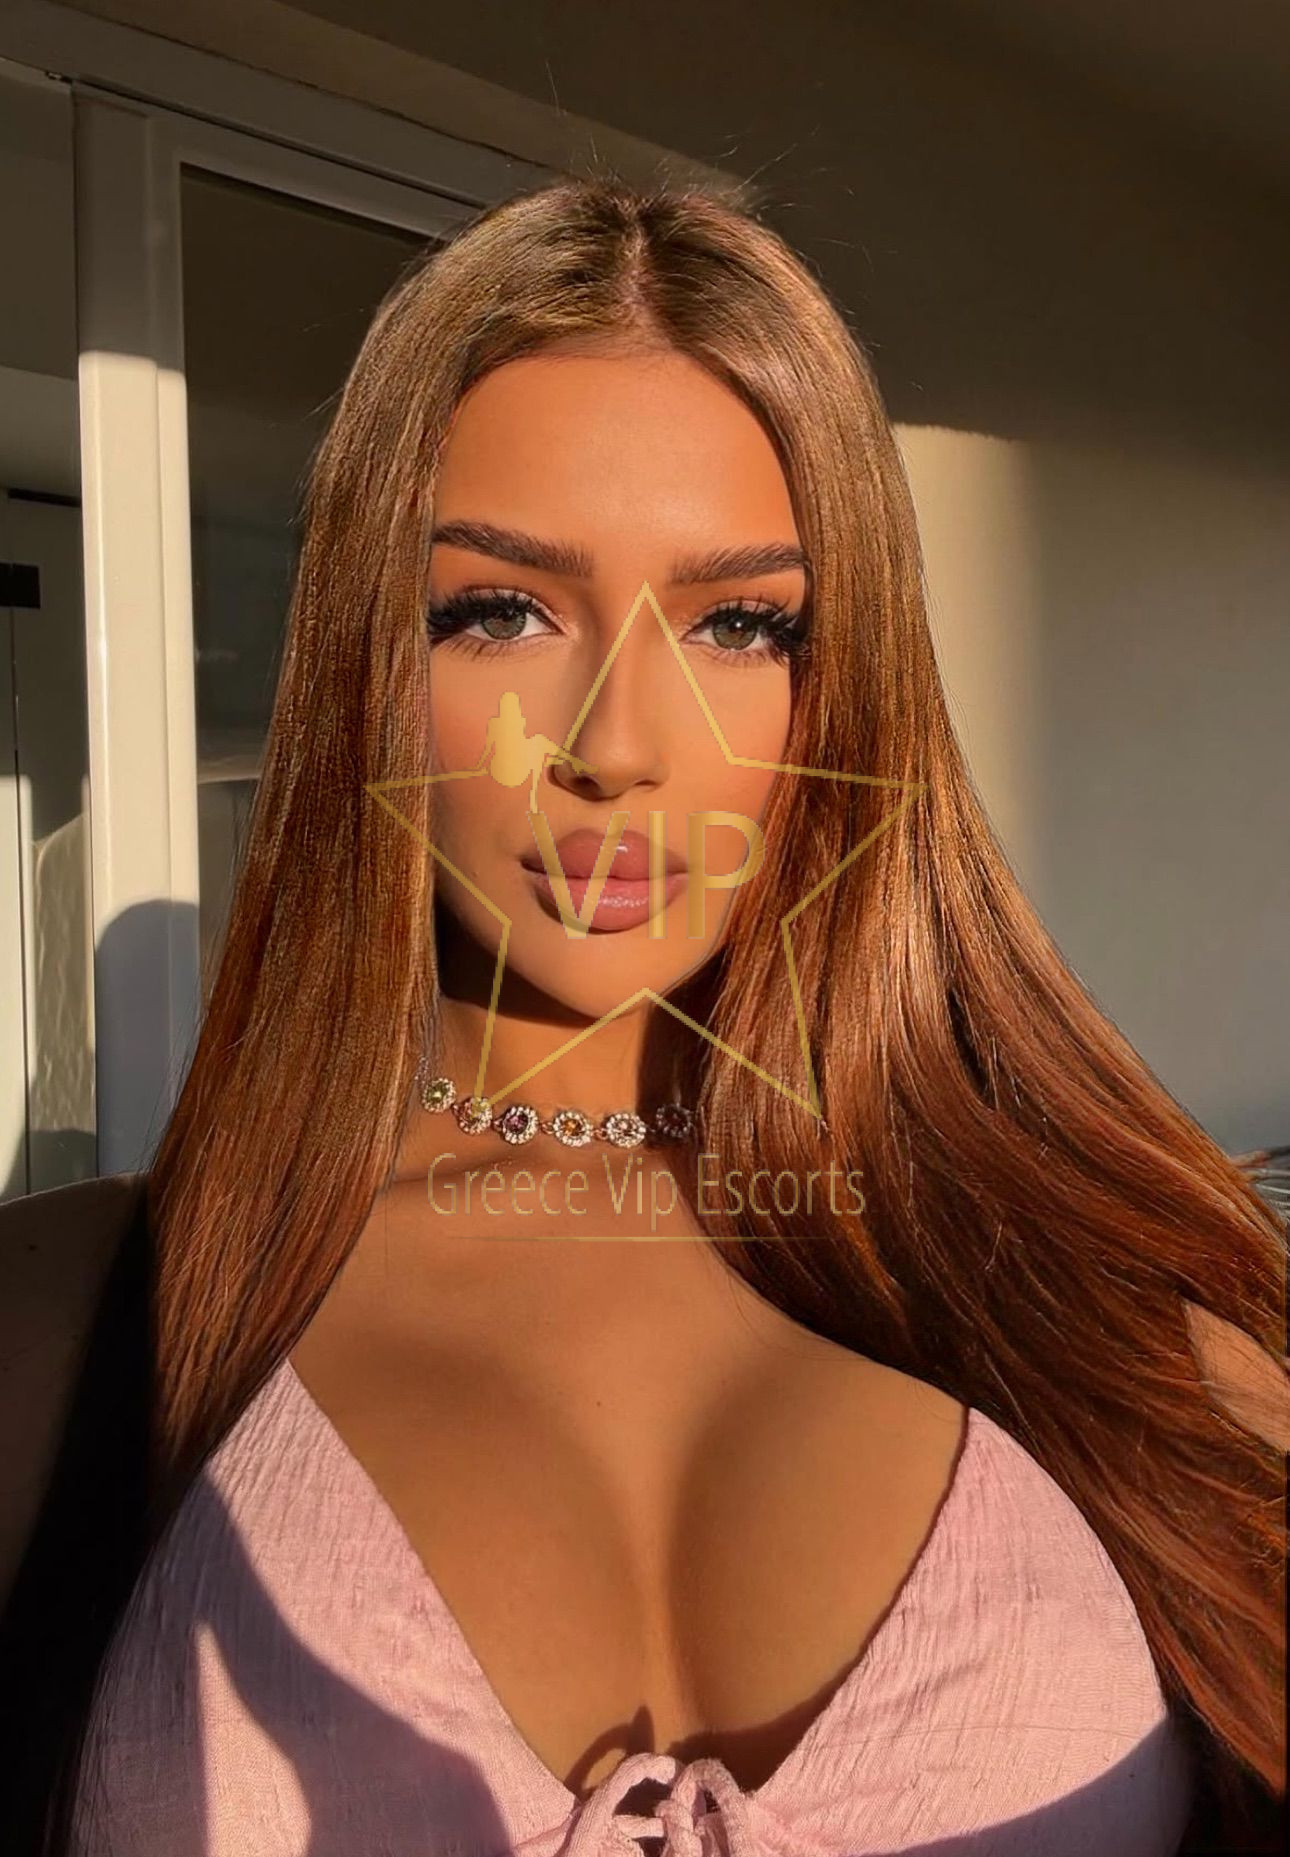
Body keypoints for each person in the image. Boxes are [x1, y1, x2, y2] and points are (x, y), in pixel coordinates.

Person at [0, 177, 1285, 1857]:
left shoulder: (1114, 1311)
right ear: (366, 666)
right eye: (500, 609)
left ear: (847, 686)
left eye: (739, 623)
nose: (615, 743)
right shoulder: (74, 1332)